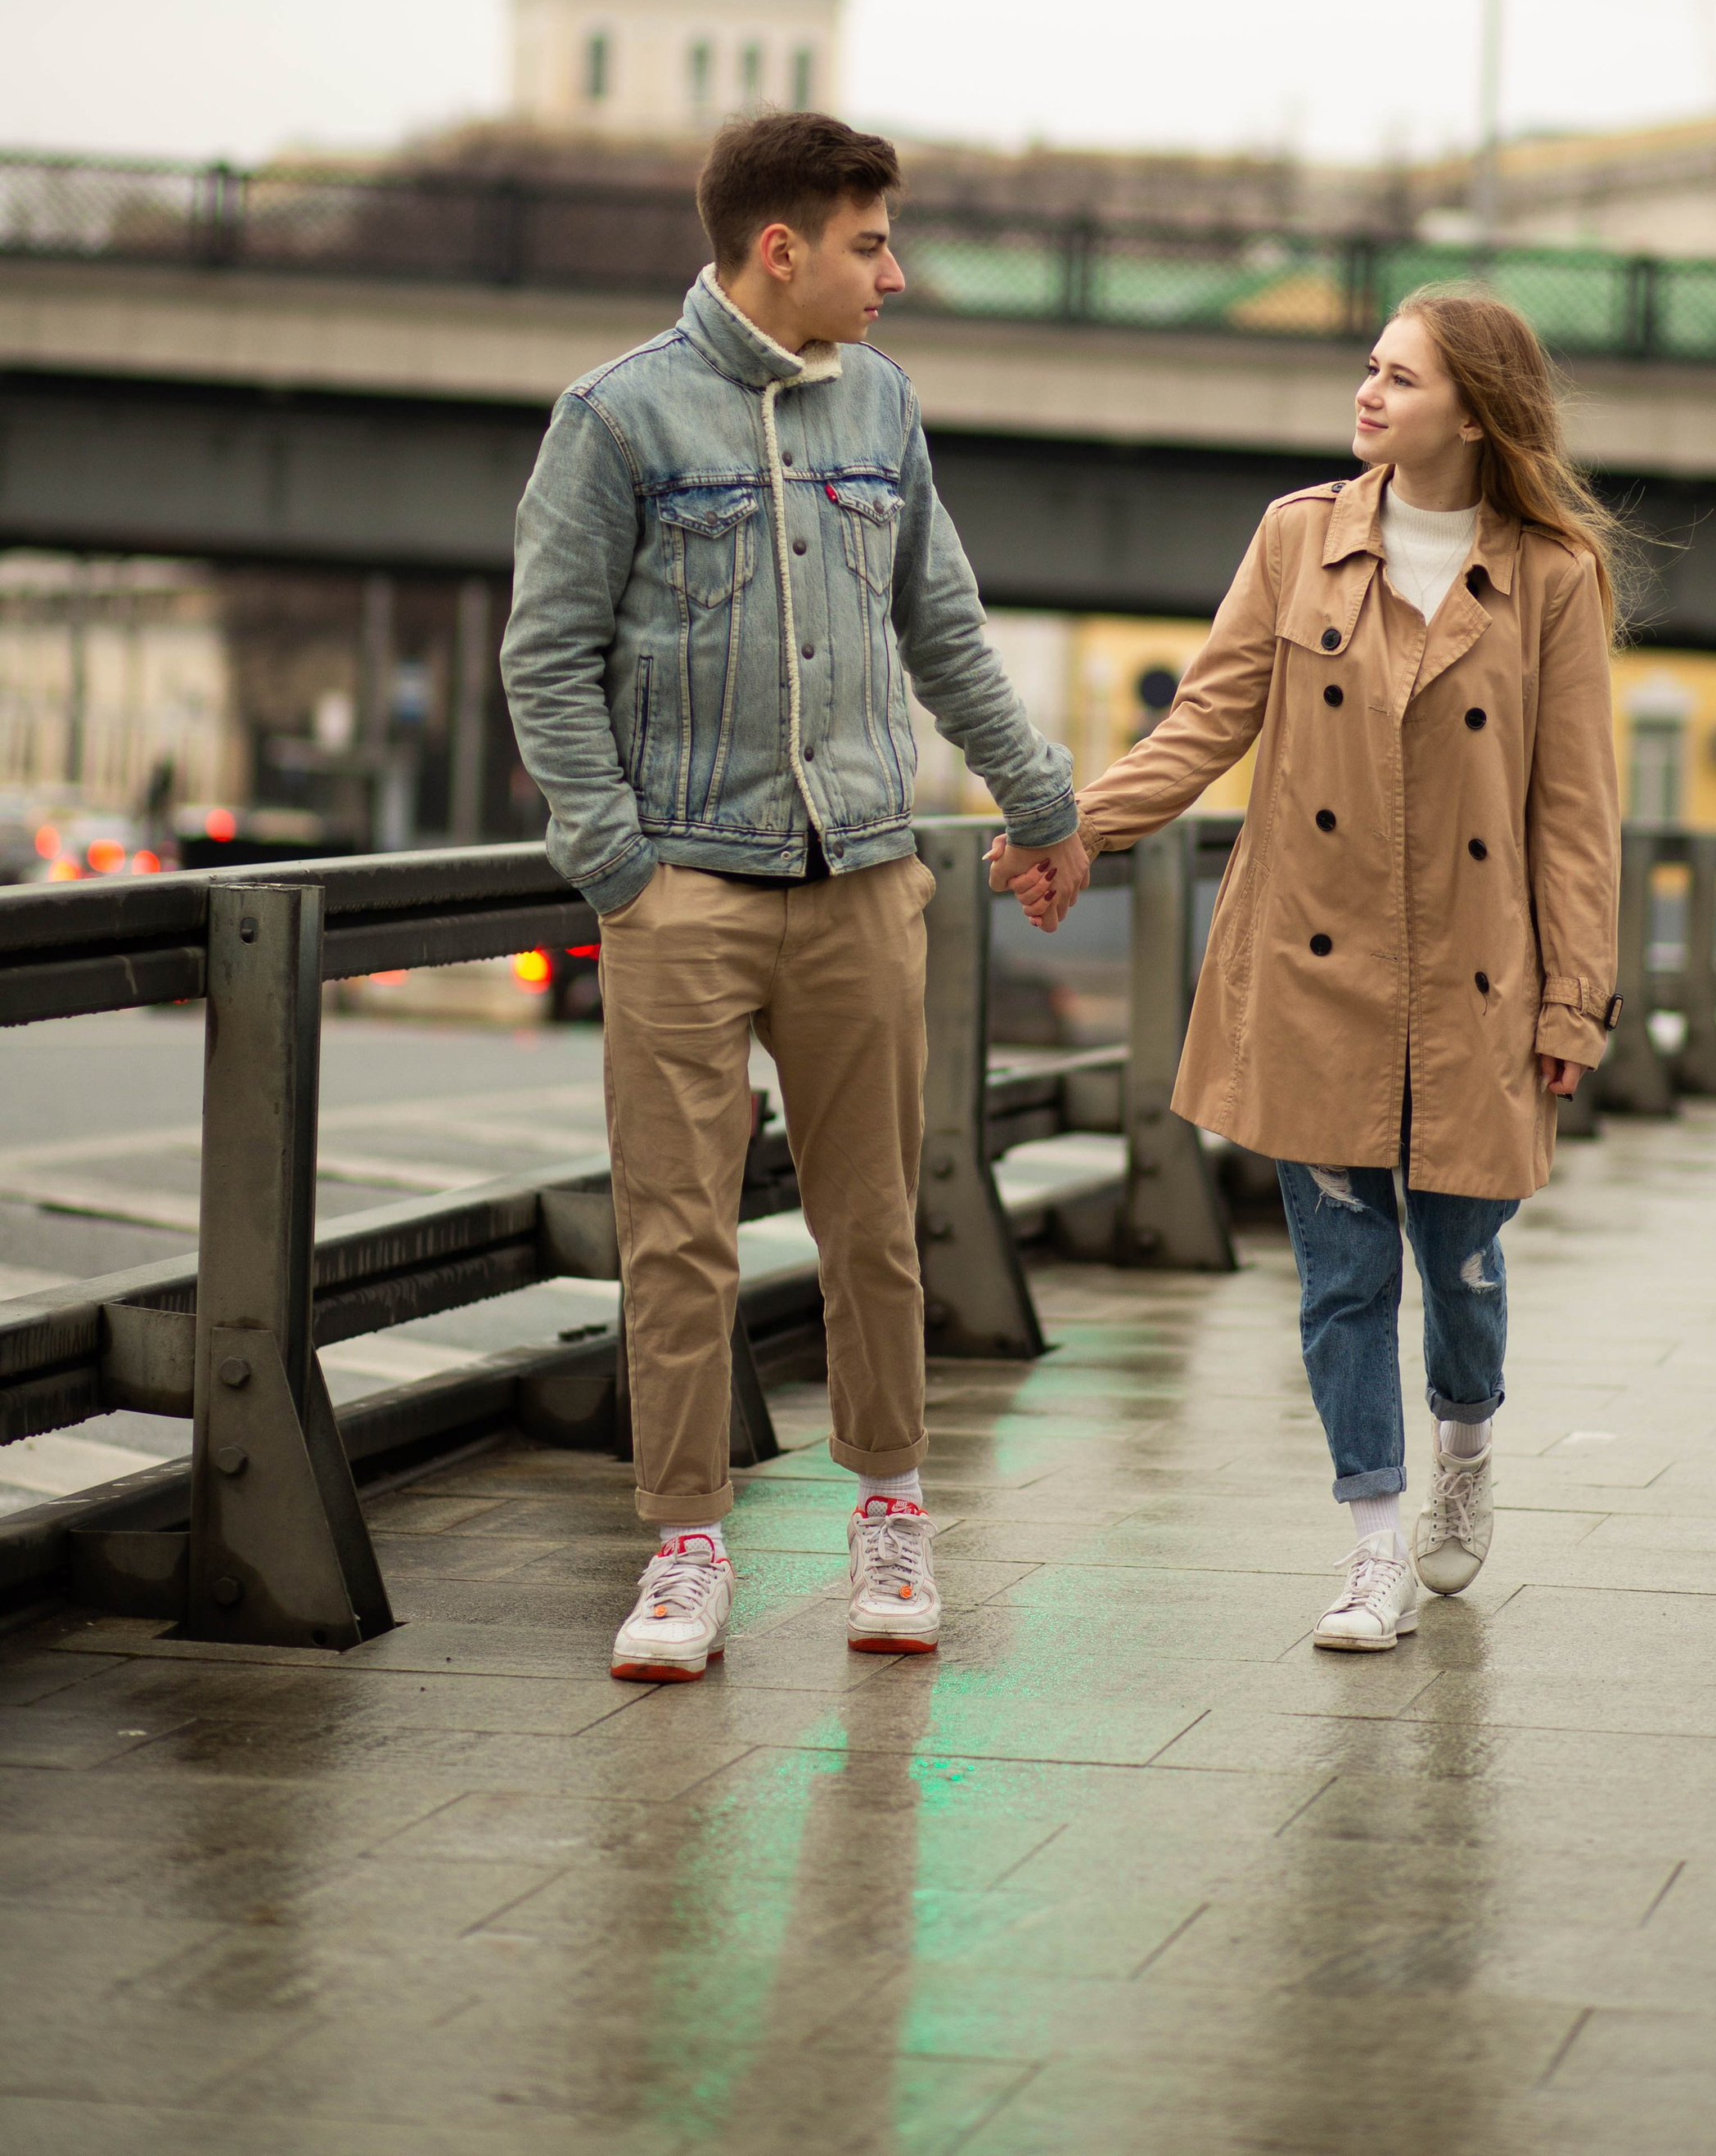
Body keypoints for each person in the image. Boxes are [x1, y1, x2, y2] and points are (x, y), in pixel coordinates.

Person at [502, 113, 1088, 1682]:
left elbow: (944, 628)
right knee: (677, 1235)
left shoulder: (884, 404)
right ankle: (685, 1548)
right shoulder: (617, 421)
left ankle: (892, 1518)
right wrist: (622, 869)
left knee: (873, 1224)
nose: (892, 273)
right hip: (684, 887)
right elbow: (543, 658)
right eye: (871, 242)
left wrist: (1044, 804)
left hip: (861, 882)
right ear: (784, 249)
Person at [999, 288, 1621, 1650]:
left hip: (1474, 986)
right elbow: (1205, 720)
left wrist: (1575, 996)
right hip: (1313, 967)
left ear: (1473, 408)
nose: (1369, 394)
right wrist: (1076, 823)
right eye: (1369, 368)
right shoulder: (1297, 540)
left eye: (1399, 377)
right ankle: (1372, 1542)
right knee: (1341, 1275)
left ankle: (1465, 1445)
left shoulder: (1552, 578)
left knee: (1460, 1269)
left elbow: (1575, 813)